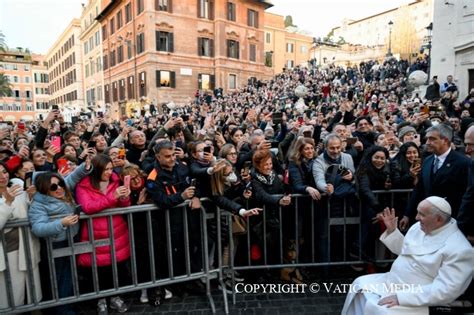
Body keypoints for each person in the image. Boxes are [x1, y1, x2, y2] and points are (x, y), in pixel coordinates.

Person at [341, 197, 474, 315]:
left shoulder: (460, 249)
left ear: (438, 219)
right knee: (358, 284)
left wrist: (401, 297)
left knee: (379, 308)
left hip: (417, 295)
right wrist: (392, 231)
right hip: (392, 281)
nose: (416, 217)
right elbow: (405, 250)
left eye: (421, 214)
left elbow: (445, 290)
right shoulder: (419, 227)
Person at [75, 154, 131, 314]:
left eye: (111, 168)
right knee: (97, 271)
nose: (109, 172)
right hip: (95, 234)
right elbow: (88, 207)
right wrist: (113, 197)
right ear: (96, 169)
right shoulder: (83, 186)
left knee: (116, 268)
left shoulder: (115, 181)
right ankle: (100, 300)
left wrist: (124, 198)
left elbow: (124, 205)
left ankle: (114, 297)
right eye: (105, 169)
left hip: (116, 232)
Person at [400, 124, 471, 230]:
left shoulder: (464, 163)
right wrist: (407, 214)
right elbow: (419, 189)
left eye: (432, 139)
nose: (427, 142)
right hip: (429, 221)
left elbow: (468, 196)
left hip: (453, 222)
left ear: (445, 140)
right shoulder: (427, 161)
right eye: (427, 139)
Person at [0, 162, 42, 308]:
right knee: (10, 293)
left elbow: (29, 211)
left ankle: (35, 309)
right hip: (7, 250)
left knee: (32, 290)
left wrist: (31, 197)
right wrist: (7, 203)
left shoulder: (17, 184)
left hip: (27, 244)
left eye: (4, 172)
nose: (2, 176)